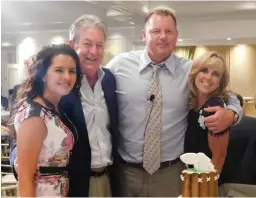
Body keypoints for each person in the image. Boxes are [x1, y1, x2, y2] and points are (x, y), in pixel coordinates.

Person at [106, 7, 242, 197]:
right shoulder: (118, 65)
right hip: (126, 173)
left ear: (176, 36)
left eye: (169, 31)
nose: (163, 36)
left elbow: (228, 94)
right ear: (144, 35)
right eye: (156, 31)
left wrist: (233, 114)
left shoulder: (190, 70)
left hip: (170, 174)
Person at [9, 44, 82, 197]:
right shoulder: (35, 116)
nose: (67, 77)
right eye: (58, 70)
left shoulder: (54, 108)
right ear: (43, 74)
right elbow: (25, 178)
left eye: (72, 71)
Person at [61, 14, 119, 197]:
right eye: (87, 44)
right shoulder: (61, 85)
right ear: (73, 46)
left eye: (99, 45)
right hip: (76, 185)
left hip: (110, 180)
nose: (94, 52)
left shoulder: (109, 80)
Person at [184, 51, 230, 173]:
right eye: (204, 70)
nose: (208, 77)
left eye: (215, 74)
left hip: (205, 180)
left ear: (220, 81)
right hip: (191, 173)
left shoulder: (213, 109)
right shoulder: (191, 103)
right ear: (195, 73)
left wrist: (207, 187)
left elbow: (218, 157)